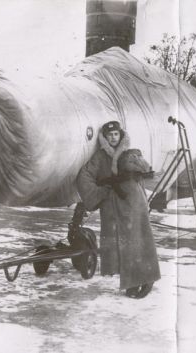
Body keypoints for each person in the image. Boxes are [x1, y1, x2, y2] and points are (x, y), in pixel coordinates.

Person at [76, 121, 161, 298]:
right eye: (110, 135)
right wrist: (99, 193)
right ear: (104, 138)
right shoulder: (100, 157)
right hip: (112, 205)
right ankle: (131, 282)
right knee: (120, 245)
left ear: (121, 135)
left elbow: (146, 170)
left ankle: (147, 278)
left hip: (133, 202)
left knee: (138, 240)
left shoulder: (130, 153)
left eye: (116, 134)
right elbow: (85, 176)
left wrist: (135, 160)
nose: (113, 138)